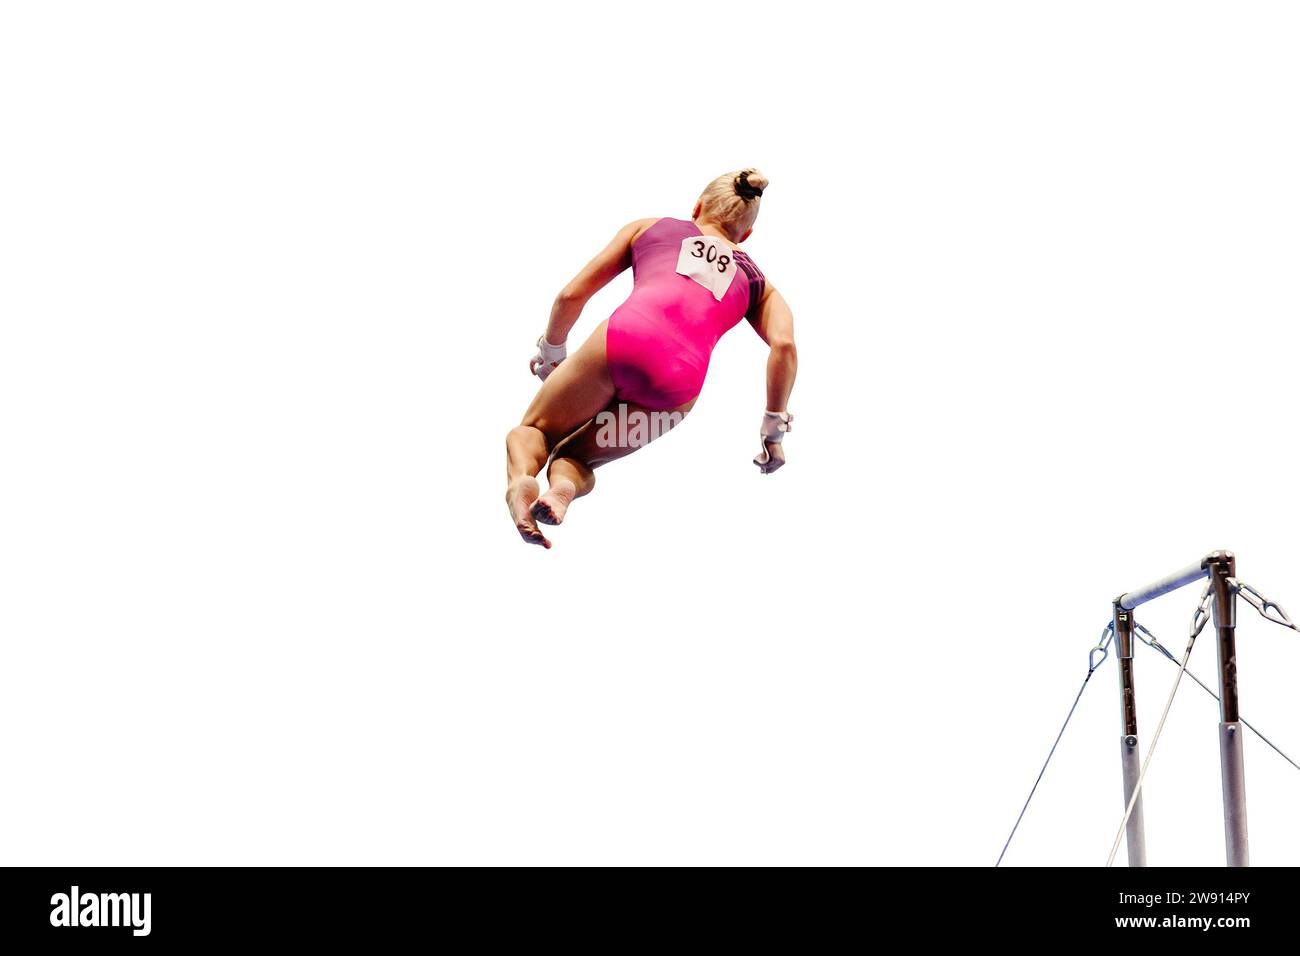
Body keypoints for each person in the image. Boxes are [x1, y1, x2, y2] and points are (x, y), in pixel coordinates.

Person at [505, 168, 797, 548]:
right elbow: (785, 347)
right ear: (747, 234)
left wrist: (551, 353)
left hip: (624, 340)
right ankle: (561, 487)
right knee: (580, 458)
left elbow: (571, 296)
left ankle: (520, 483)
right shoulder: (760, 286)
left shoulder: (652, 227)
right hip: (676, 389)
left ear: (698, 205)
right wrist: (772, 431)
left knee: (535, 431)